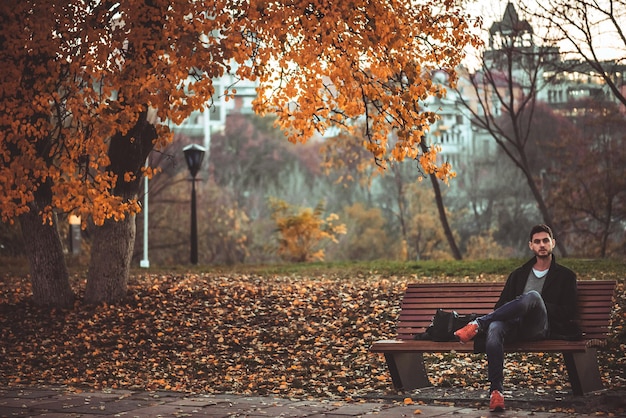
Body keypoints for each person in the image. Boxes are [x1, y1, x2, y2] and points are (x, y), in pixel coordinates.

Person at [454, 224, 580, 412]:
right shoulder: (519, 274)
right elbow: (500, 307)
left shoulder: (566, 276)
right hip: (515, 327)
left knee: (534, 297)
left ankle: (478, 323)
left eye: (546, 240)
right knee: (495, 327)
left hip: (541, 327)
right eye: (537, 242)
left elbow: (569, 312)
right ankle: (496, 392)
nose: (542, 245)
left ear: (553, 243)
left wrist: (539, 306)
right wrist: (517, 310)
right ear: (531, 246)